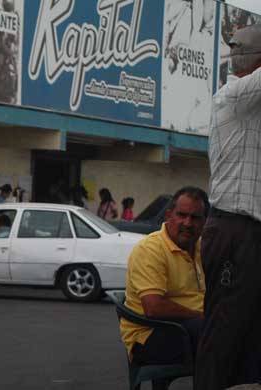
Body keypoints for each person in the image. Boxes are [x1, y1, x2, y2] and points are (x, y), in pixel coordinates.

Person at [195, 24, 261, 390]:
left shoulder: (250, 108)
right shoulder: (235, 94)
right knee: (224, 331)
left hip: (245, 229)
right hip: (235, 229)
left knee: (248, 334)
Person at [120, 186, 207, 369]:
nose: (188, 223)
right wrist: (202, 315)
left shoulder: (201, 247)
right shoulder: (150, 249)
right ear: (169, 216)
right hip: (149, 335)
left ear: (205, 221)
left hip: (188, 326)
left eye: (195, 217)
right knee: (220, 338)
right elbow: (154, 307)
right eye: (182, 215)